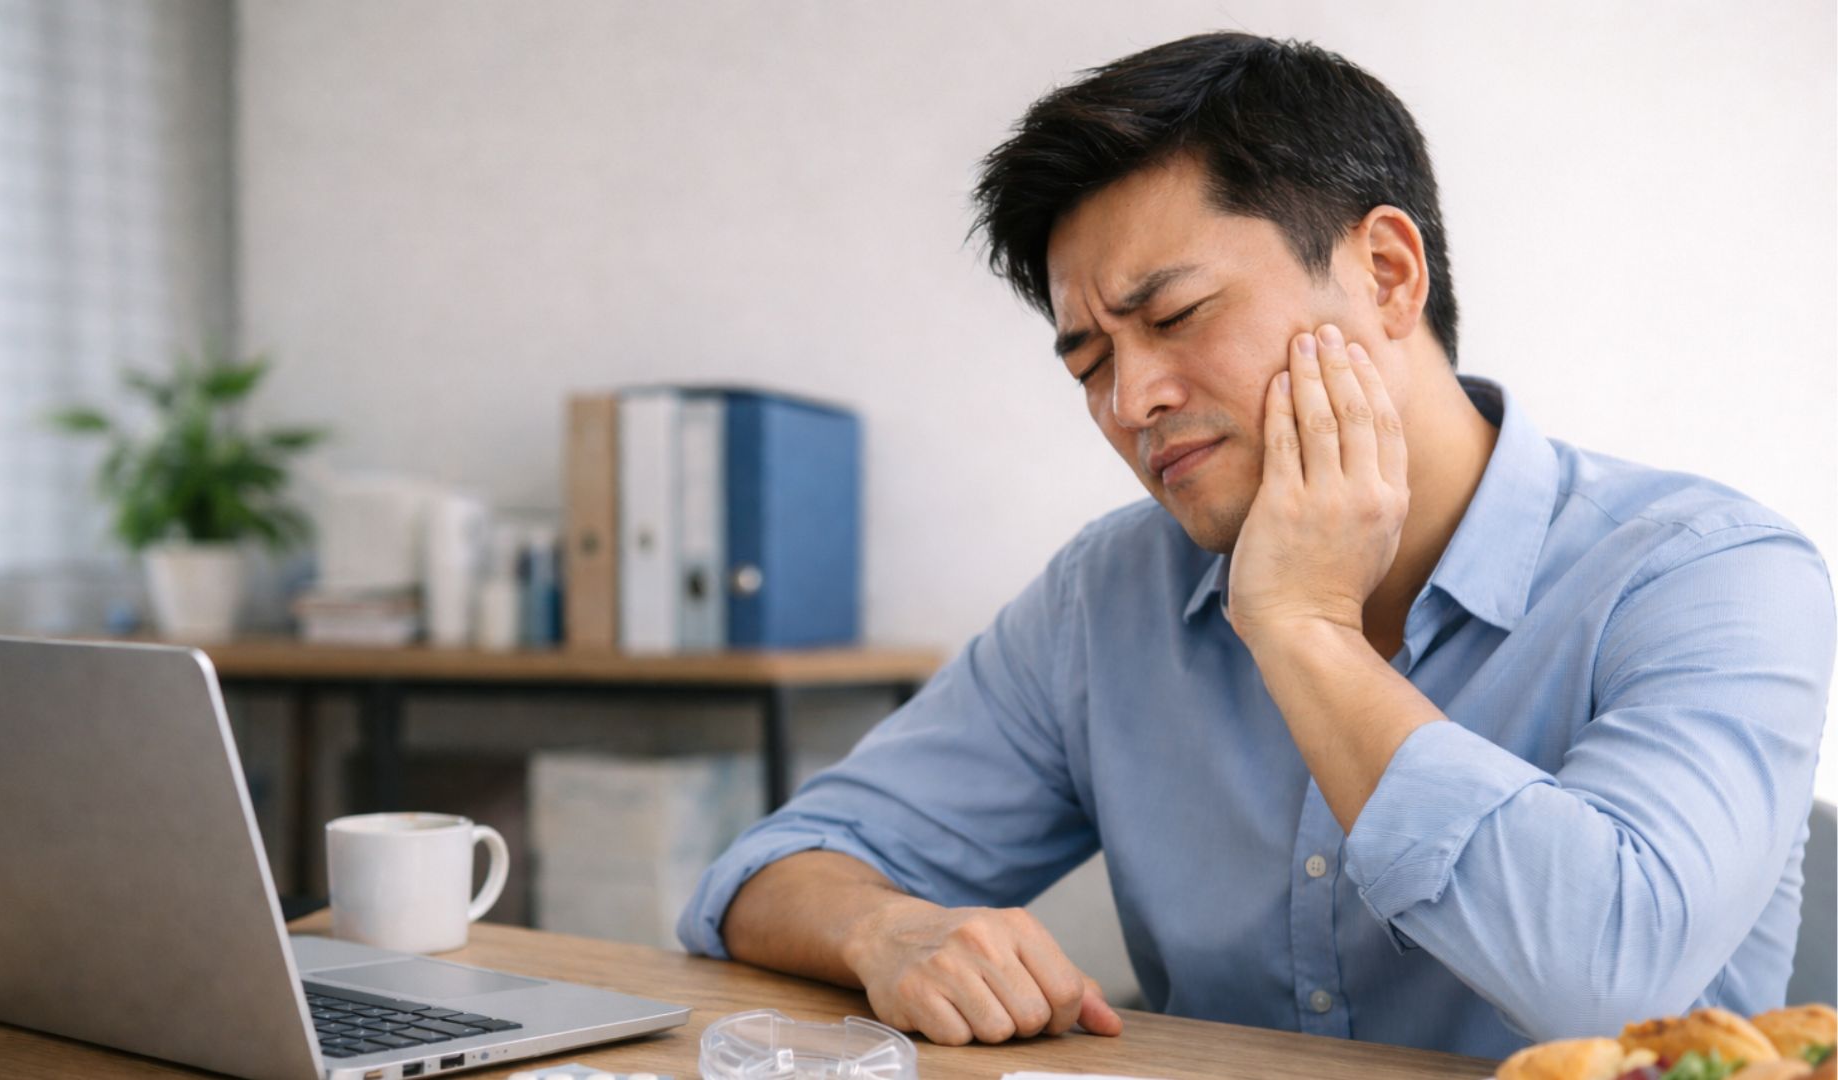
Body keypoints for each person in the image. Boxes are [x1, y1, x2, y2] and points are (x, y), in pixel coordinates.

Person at [676, 31, 1835, 1060]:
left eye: (1175, 318)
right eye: (1089, 363)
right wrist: (889, 927)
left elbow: (1599, 985)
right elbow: (765, 874)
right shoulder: (1108, 593)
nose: (1131, 400)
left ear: (1386, 272)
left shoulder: (1712, 573)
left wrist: (1303, 629)